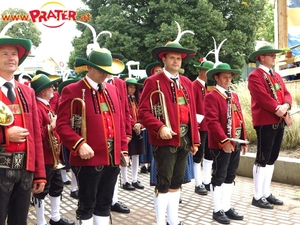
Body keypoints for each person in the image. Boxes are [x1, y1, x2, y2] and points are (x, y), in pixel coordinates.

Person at [56, 48, 128, 225]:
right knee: (87, 205)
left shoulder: (112, 89)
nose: (105, 74)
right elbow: (62, 125)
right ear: (89, 68)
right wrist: (79, 144)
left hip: (112, 158)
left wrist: (123, 149)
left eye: (107, 70)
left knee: (104, 204)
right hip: (88, 158)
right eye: (101, 70)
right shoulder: (72, 90)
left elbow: (119, 122)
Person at [138, 22, 199, 225]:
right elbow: (143, 112)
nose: (176, 61)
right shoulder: (153, 82)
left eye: (178, 58)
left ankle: (173, 221)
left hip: (184, 138)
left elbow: (191, 113)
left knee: (177, 182)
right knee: (163, 183)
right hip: (165, 139)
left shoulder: (187, 83)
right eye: (171, 57)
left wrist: (195, 140)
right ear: (163, 59)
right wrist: (160, 127)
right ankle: (160, 222)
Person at [0, 25, 46, 225]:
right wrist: (4, 136)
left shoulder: (27, 92)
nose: (11, 58)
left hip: (25, 171)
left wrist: (40, 173)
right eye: (5, 53)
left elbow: (36, 135)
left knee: (20, 221)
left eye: (15, 54)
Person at [248, 45, 292, 209]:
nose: (274, 57)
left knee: (272, 158)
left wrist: (286, 105)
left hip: (278, 120)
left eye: (274, 55)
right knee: (262, 158)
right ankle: (257, 196)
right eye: (271, 55)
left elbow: (286, 93)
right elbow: (262, 98)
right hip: (265, 122)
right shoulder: (254, 76)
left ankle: (266, 193)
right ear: (261, 57)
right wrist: (278, 109)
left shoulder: (277, 76)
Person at [204, 62, 248, 224]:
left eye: (230, 77)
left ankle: (227, 206)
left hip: (235, 142)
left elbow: (240, 119)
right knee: (219, 176)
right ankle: (217, 209)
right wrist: (224, 142)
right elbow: (212, 122)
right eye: (224, 77)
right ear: (216, 78)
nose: (228, 80)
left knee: (230, 175)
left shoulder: (234, 95)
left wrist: (243, 140)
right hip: (220, 144)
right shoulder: (211, 96)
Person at [30, 74, 74, 225]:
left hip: (54, 154)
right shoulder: (36, 107)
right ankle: (40, 221)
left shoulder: (46, 105)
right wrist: (52, 126)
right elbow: (37, 133)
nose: (54, 89)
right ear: (42, 91)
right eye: (50, 87)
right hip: (44, 155)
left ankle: (55, 217)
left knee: (57, 186)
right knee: (42, 189)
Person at [105, 54, 132, 214]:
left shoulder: (120, 83)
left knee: (115, 168)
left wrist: (127, 131)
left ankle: (113, 200)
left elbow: (125, 108)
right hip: (101, 134)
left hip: (118, 131)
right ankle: (102, 202)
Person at [192, 60, 215, 195]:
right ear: (202, 72)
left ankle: (206, 181)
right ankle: (198, 183)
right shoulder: (194, 85)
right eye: (208, 72)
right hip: (200, 125)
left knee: (209, 154)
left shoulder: (209, 87)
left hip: (209, 125)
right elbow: (192, 106)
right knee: (198, 155)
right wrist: (196, 126)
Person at [124, 77, 145, 189]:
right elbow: (125, 115)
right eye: (130, 87)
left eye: (134, 87)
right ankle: (125, 180)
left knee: (136, 154)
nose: (132, 89)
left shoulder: (137, 99)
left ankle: (134, 179)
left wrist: (140, 124)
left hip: (138, 129)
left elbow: (142, 112)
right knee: (126, 154)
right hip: (127, 129)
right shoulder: (123, 99)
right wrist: (134, 124)